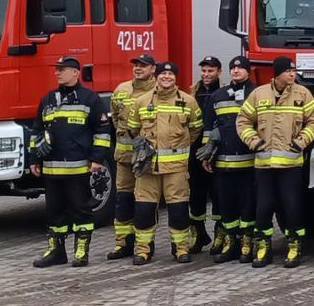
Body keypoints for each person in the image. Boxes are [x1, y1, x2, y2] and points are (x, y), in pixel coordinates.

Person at [27, 56, 112, 268]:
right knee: (54, 211)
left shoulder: (90, 98)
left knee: (81, 209)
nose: (57, 73)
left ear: (76, 72)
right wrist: (34, 158)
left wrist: (97, 158)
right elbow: (37, 131)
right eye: (56, 69)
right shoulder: (47, 99)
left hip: (78, 167)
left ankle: (81, 251)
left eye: (62, 69)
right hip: (52, 169)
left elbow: (102, 131)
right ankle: (56, 252)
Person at [237, 55, 314, 268]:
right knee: (263, 208)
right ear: (277, 73)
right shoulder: (259, 94)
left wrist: (301, 141)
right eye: (288, 71)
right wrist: (254, 142)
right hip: (264, 166)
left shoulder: (303, 94)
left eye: (294, 71)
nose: (292, 74)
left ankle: (295, 246)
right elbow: (243, 120)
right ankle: (263, 246)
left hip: (290, 165)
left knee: (292, 207)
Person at [123, 61, 204, 264]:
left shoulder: (188, 101)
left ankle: (180, 248)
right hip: (147, 168)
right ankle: (142, 250)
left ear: (175, 77)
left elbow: (195, 129)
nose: (166, 77)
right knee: (144, 211)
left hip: (176, 169)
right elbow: (133, 130)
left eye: (170, 74)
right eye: (162, 74)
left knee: (178, 210)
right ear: (156, 76)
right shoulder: (141, 102)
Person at [207, 56, 258, 263]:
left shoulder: (257, 94)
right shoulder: (218, 95)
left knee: (248, 204)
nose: (236, 71)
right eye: (233, 68)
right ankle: (231, 243)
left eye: (240, 68)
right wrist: (208, 152)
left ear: (248, 71)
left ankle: (247, 243)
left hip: (249, 163)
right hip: (223, 164)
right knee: (226, 205)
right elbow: (209, 127)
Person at [106, 53, 157, 260]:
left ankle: (145, 245)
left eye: (143, 65)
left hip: (146, 160)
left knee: (145, 203)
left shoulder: (158, 91)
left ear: (153, 69)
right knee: (123, 200)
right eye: (136, 65)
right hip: (124, 157)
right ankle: (123, 244)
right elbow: (116, 119)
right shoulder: (121, 90)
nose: (138, 68)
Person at [189, 55, 224, 254]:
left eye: (210, 71)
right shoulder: (193, 93)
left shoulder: (224, 92)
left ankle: (220, 233)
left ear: (219, 72)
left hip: (216, 151)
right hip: (195, 151)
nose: (206, 75)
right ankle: (199, 233)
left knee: (217, 194)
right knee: (196, 194)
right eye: (203, 71)